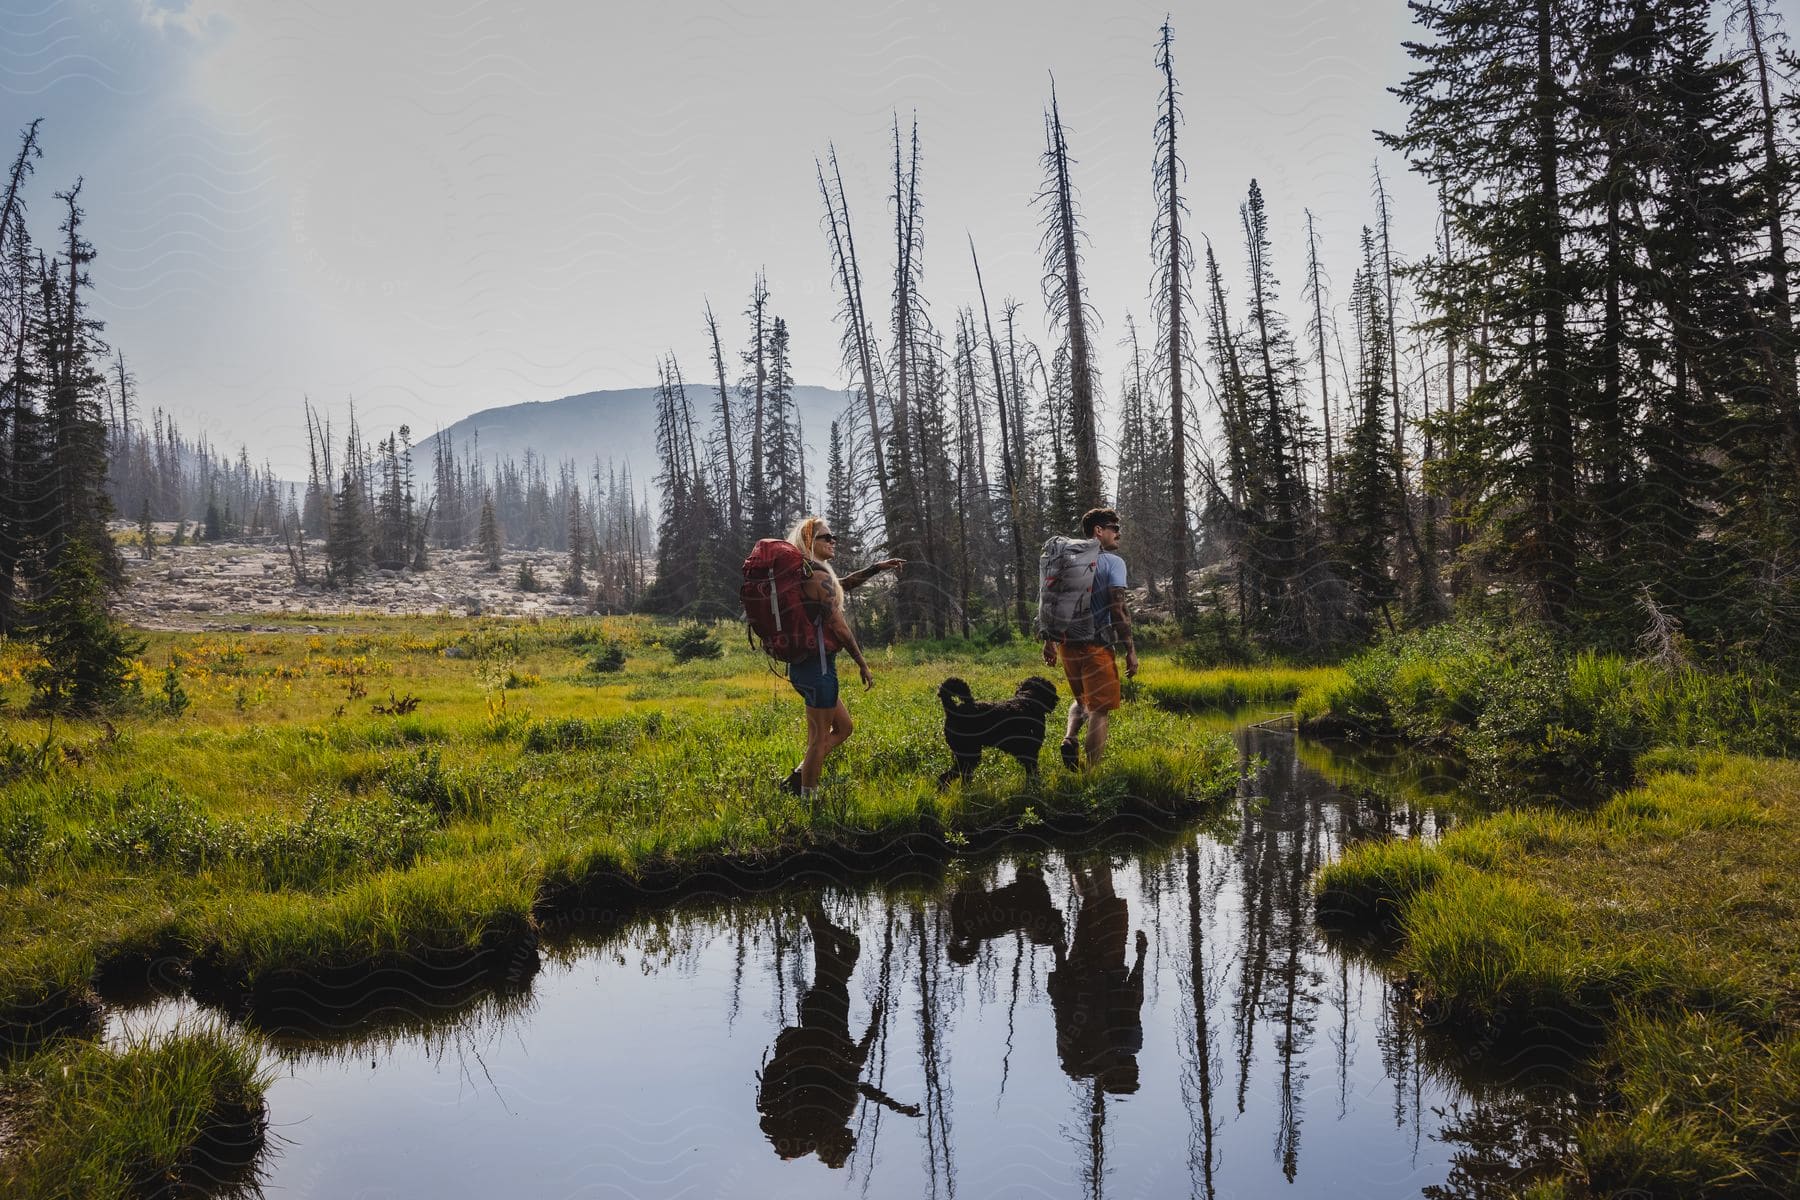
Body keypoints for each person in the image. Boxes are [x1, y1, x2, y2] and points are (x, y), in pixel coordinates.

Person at [756, 904, 920, 1166]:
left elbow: (856, 1062)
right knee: (841, 956)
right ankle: (812, 903)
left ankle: (811, 900)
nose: (846, 1131)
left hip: (826, 1017)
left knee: (835, 954)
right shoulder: (831, 1117)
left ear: (833, 1142)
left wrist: (875, 1023)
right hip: (818, 1022)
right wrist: (894, 1106)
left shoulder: (830, 1118)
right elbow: (857, 1081)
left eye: (844, 1136)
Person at [781, 516, 903, 796]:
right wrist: (863, 663)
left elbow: (841, 585)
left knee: (844, 728)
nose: (833, 541)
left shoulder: (809, 573)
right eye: (827, 537)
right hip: (819, 668)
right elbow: (839, 626)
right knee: (818, 739)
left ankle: (798, 778)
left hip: (806, 667)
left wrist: (876, 568)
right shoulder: (816, 575)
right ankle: (808, 802)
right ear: (811, 541)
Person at [1042, 507, 1139, 771]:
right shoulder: (1113, 563)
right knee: (1100, 709)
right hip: (1097, 646)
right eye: (1114, 528)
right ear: (1098, 531)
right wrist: (1130, 649)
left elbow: (1052, 600)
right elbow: (1118, 607)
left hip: (1067, 646)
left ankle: (1069, 738)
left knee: (1082, 700)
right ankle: (1093, 774)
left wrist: (1049, 640)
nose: (1119, 533)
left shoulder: (1067, 561)